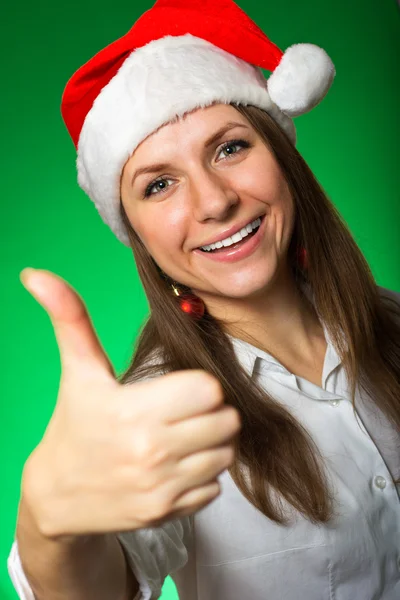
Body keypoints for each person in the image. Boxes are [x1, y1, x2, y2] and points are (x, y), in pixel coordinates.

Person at [7, 0, 400, 598]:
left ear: (283, 157)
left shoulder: (393, 319)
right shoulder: (158, 412)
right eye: (159, 184)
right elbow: (93, 585)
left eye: (230, 148)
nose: (214, 202)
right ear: (136, 232)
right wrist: (48, 530)